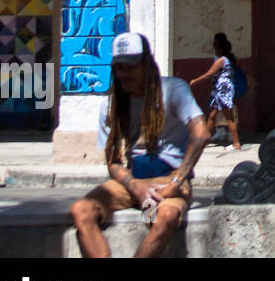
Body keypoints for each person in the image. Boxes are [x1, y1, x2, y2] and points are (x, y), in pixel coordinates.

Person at [69, 33, 209, 258]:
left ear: (146, 64)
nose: (125, 73)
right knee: (81, 210)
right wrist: (135, 186)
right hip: (134, 185)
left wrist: (177, 180)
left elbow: (201, 133)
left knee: (164, 218)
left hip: (167, 183)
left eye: (132, 66)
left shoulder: (173, 89)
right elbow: (113, 163)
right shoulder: (111, 104)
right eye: (120, 67)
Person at [189, 32, 242, 151]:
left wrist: (194, 81)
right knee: (212, 115)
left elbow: (209, 74)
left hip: (223, 91)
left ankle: (236, 143)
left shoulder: (222, 60)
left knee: (229, 116)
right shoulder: (223, 59)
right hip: (219, 91)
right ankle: (205, 141)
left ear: (218, 47)